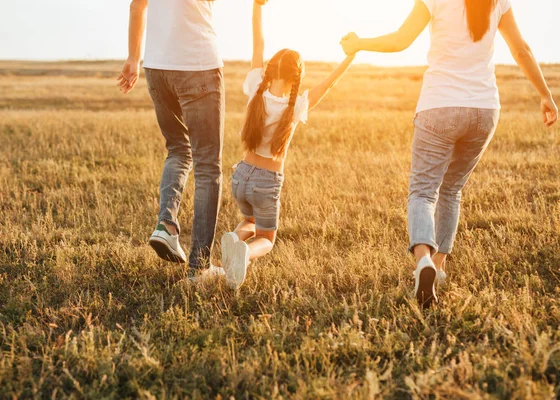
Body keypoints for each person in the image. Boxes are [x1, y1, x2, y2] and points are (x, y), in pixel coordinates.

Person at [341, 0, 558, 308]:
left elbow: (401, 40)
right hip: (484, 110)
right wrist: (546, 95)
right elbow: (521, 48)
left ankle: (423, 261)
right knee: (452, 189)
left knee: (423, 191)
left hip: (439, 106)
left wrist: (360, 43)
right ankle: (439, 266)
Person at [220, 0, 356, 290]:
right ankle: (244, 251)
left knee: (249, 221)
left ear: (270, 69)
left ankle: (235, 238)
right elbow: (329, 83)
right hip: (267, 182)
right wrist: (351, 55)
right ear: (297, 77)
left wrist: (257, 6)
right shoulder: (298, 105)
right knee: (266, 239)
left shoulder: (256, 84)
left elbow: (258, 41)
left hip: (241, 175)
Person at [117, 0, 225, 275]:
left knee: (178, 149)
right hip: (197, 64)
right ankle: (199, 267)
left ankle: (166, 224)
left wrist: (133, 57)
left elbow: (136, 6)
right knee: (207, 166)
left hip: (156, 67)